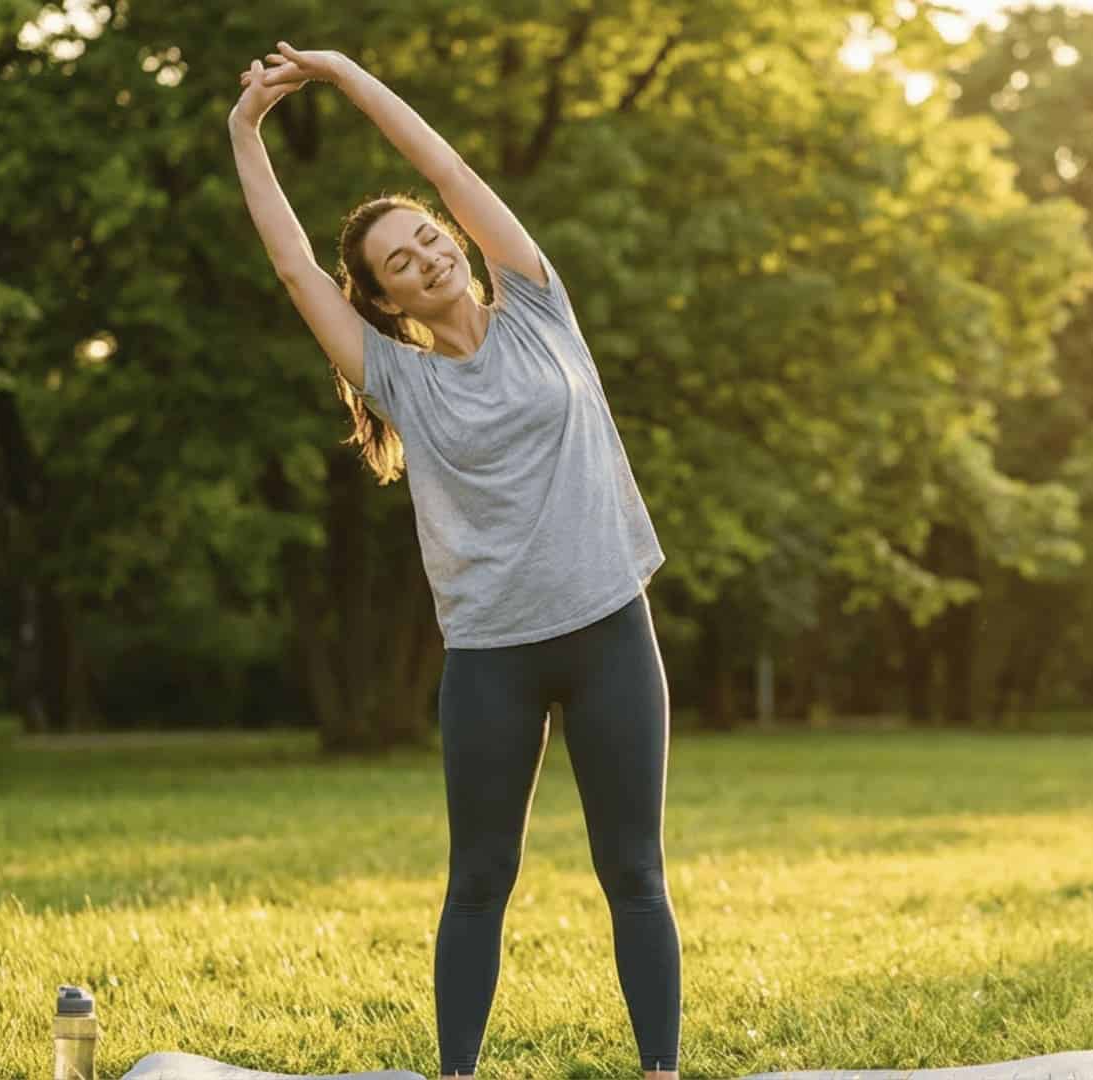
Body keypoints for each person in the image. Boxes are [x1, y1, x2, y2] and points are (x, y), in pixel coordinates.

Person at [229, 42, 680, 1080]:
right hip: (492, 656)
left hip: (610, 627)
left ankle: (661, 1073)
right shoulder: (396, 375)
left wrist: (344, 74)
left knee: (636, 874)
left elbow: (446, 167)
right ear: (386, 302)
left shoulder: (537, 302)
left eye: (429, 240)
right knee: (479, 878)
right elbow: (297, 264)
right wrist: (245, 132)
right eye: (400, 263)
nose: (428, 256)